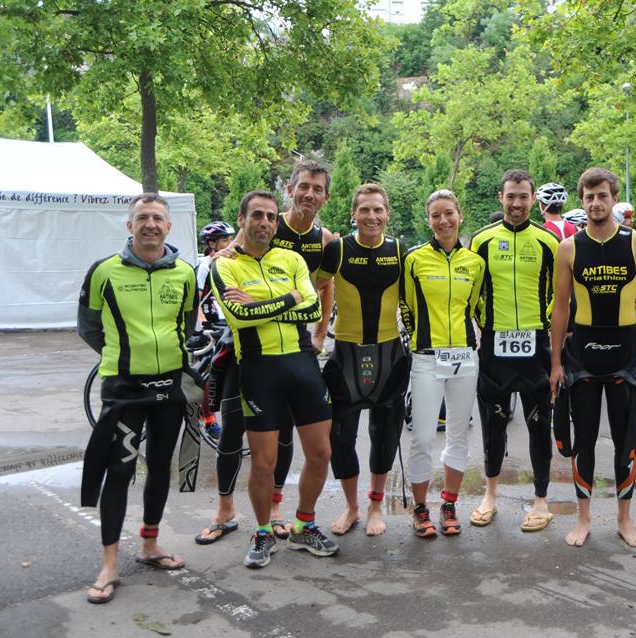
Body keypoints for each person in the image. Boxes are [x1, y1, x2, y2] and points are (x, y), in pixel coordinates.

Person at [195, 161, 334, 545]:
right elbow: (239, 297)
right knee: (236, 434)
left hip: (296, 350)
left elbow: (321, 293)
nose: (309, 194)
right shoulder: (264, 227)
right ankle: (227, 512)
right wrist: (287, 297)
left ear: (326, 196)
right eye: (303, 186)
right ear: (291, 190)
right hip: (247, 351)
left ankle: (280, 513)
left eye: (317, 189)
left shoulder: (320, 241)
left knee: (291, 438)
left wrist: (318, 331)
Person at [78, 193, 196, 603]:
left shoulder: (185, 273)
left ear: (168, 226)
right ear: (130, 226)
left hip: (169, 387)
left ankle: (150, 544)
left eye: (157, 218)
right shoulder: (104, 271)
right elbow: (89, 326)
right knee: (119, 470)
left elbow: (185, 325)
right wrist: (122, 356)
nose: (150, 224)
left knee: (161, 467)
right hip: (124, 389)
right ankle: (109, 563)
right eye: (142, 217)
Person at [549, 168, 636, 548]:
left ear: (614, 199)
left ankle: (624, 520)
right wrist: (556, 363)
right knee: (583, 440)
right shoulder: (569, 248)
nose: (596, 203)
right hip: (582, 355)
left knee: (626, 442)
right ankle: (583, 519)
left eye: (602, 196)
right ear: (581, 201)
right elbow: (560, 309)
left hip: (625, 355)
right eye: (589, 197)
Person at [315, 183, 409, 537]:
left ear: (387, 214)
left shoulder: (398, 250)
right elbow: (312, 287)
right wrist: (319, 331)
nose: (372, 216)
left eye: (378, 209)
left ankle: (375, 505)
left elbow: (415, 298)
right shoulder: (338, 249)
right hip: (347, 355)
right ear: (353, 214)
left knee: (384, 436)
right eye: (364, 210)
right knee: (341, 439)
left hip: (390, 355)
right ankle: (352, 506)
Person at [469, 169, 560, 532]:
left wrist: (546, 324)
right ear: (501, 198)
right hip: (495, 346)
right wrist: (484, 324)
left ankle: (541, 500)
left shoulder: (549, 241)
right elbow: (472, 291)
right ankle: (490, 495)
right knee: (493, 425)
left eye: (523, 196)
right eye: (511, 196)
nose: (517, 203)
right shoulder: (482, 240)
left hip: (536, 347)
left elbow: (560, 294)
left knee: (539, 426)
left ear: (534, 199)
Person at [401, 189, 485, 537]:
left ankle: (449, 504)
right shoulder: (414, 259)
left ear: (459, 215)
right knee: (422, 437)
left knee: (457, 435)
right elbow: (406, 305)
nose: (443, 220)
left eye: (449, 213)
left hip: (464, 357)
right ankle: (420, 509)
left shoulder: (475, 262)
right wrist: (419, 339)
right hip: (426, 357)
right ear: (429, 220)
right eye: (436, 215)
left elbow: (476, 306)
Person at [193, 221, 235, 439]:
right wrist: (203, 327)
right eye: (225, 239)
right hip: (210, 325)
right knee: (209, 374)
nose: (231, 242)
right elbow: (196, 300)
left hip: (226, 323)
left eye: (231, 238)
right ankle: (208, 420)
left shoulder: (230, 263)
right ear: (212, 244)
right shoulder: (205, 266)